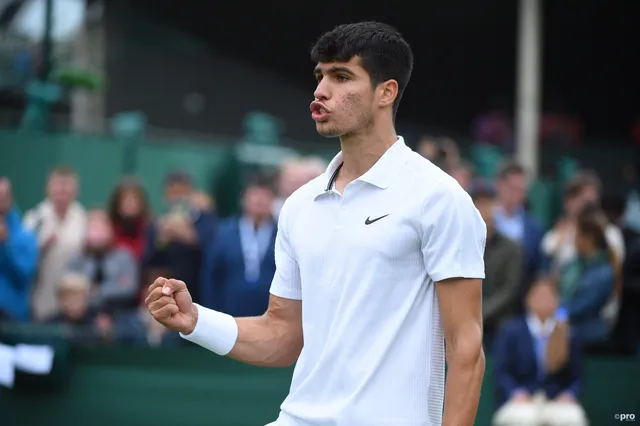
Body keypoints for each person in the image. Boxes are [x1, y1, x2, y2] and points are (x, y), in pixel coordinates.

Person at [146, 21, 487, 426]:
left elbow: (466, 348)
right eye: (320, 76)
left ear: (386, 92)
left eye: (342, 76)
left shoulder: (440, 199)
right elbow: (283, 335)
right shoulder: (298, 206)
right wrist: (196, 320)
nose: (321, 90)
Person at [492, 280, 587, 426]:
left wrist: (568, 395)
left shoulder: (567, 332)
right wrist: (515, 393)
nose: (544, 300)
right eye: (539, 295)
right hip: (521, 400)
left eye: (549, 296)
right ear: (528, 299)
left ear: (557, 300)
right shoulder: (510, 331)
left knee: (572, 418)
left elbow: (577, 377)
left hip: (555, 401)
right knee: (522, 418)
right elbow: (501, 373)